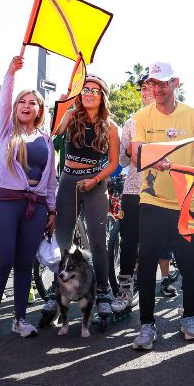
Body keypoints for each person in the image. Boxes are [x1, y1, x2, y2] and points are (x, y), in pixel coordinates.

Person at [0, 55, 57, 342]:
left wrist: (52, 209)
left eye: (31, 103)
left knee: (24, 263)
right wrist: (10, 73)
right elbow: (4, 100)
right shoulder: (6, 131)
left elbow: (51, 179)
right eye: (22, 102)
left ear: (39, 110)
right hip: (4, 204)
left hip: (36, 207)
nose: (25, 106)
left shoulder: (46, 140)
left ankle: (20, 319)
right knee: (2, 260)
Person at [130, 61, 194, 349]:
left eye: (163, 83)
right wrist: (155, 160)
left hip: (187, 202)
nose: (158, 88)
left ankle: (189, 319)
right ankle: (147, 326)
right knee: (148, 262)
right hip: (152, 201)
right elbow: (137, 154)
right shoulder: (142, 116)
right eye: (153, 83)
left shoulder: (192, 115)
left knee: (190, 263)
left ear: (175, 83)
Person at [51, 73, 120, 320]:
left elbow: (113, 163)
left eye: (95, 90)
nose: (89, 94)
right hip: (68, 180)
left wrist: (96, 180)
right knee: (62, 242)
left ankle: (103, 291)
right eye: (86, 90)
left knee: (98, 243)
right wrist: (61, 106)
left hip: (95, 183)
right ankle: (56, 290)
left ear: (102, 96)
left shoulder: (111, 127)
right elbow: (54, 130)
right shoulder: (71, 116)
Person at [111, 74, 155, 313]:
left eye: (151, 87)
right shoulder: (131, 122)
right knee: (129, 241)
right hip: (134, 189)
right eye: (143, 89)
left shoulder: (172, 119)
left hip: (162, 191)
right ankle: (124, 288)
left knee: (154, 244)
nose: (146, 92)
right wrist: (129, 149)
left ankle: (153, 284)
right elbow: (122, 160)